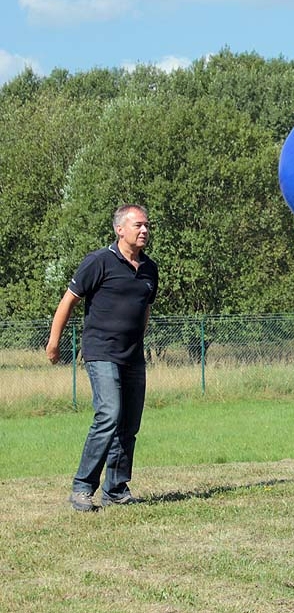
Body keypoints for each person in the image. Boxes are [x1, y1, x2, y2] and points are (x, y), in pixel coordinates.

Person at [46, 204, 159, 511]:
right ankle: (82, 488)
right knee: (109, 413)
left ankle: (116, 490)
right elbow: (68, 300)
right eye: (138, 225)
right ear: (120, 230)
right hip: (101, 352)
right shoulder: (99, 261)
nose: (144, 230)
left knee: (129, 424)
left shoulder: (150, 268)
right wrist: (54, 342)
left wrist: (139, 340)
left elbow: (145, 308)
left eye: (147, 225)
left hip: (133, 356)